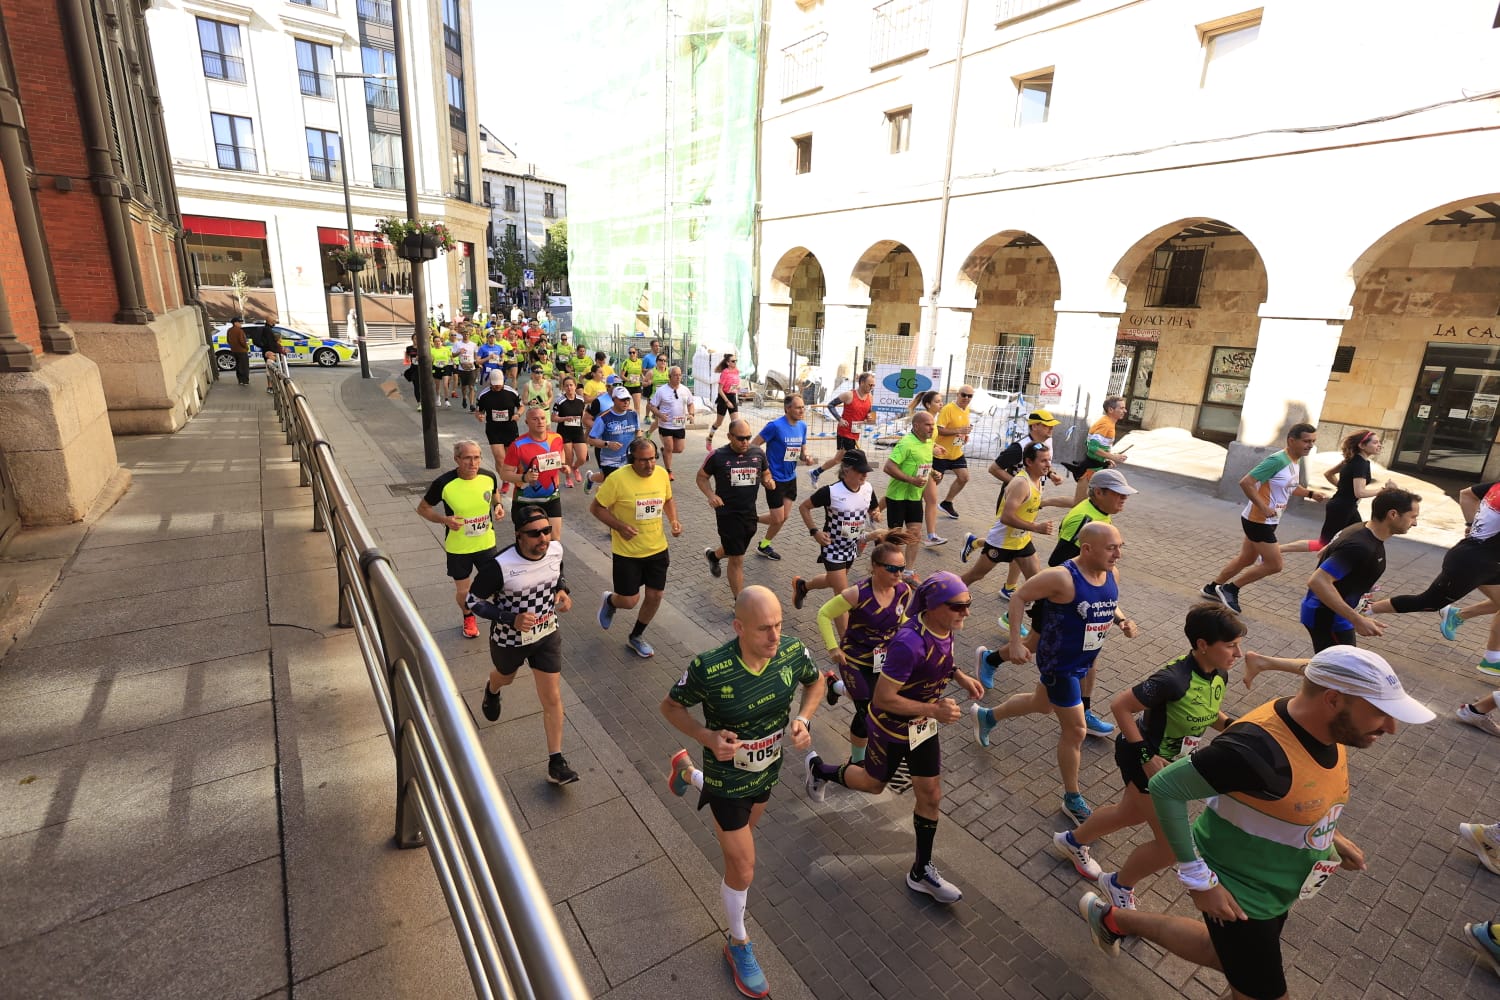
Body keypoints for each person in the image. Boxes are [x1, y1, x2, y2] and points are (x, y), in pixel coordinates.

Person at [1078, 646, 1435, 1000]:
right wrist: (1199, 880)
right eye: (1380, 713)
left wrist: (1330, 836)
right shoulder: (1253, 751)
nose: (1390, 726)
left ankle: (1112, 920)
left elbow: (1297, 797)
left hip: (1278, 884)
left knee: (1220, 955)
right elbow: (1165, 786)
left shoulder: (1322, 728)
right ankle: (1112, 918)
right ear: (1333, 700)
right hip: (1242, 893)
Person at [661, 586, 823, 1000]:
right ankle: (738, 944)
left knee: (746, 838)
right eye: (764, 629)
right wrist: (707, 736)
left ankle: (685, 773)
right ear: (738, 628)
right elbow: (670, 706)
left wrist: (804, 719)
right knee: (744, 867)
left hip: (766, 773)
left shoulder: (790, 652)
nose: (774, 637)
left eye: (779, 626)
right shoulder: (710, 669)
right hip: (728, 780)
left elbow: (816, 682)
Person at [803, 572, 986, 904]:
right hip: (890, 728)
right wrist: (934, 709)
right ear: (932, 606)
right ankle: (819, 771)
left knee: (930, 795)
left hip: (922, 728)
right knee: (873, 784)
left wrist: (959, 675)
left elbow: (942, 659)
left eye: (968, 605)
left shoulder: (944, 627)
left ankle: (921, 870)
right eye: (958, 606)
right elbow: (883, 699)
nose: (966, 613)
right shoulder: (908, 643)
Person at [1055, 604, 1245, 911]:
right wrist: (1148, 757)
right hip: (1144, 760)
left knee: (1129, 814)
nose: (1238, 654)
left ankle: (1072, 842)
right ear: (1202, 645)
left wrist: (1234, 728)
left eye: (1238, 646)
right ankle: (1117, 884)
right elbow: (1120, 706)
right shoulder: (1172, 679)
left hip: (1170, 766)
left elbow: (1204, 710)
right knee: (1171, 848)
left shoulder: (1218, 672)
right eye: (1231, 646)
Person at [973, 522, 1138, 823]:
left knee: (1041, 704)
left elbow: (1109, 602)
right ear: (1087, 549)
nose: (1118, 554)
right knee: (1075, 730)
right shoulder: (1061, 577)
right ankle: (1072, 797)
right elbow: (1019, 596)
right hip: (1059, 664)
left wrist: (1122, 620)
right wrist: (1014, 642)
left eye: (1120, 547)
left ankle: (987, 716)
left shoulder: (1110, 572)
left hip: (1084, 660)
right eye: (1112, 548)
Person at [465, 505, 578, 785]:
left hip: (546, 634)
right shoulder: (500, 566)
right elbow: (471, 601)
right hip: (509, 639)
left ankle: (556, 761)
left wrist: (562, 590)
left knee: (552, 696)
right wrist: (509, 618)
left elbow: (557, 572)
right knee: (506, 677)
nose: (543, 539)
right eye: (534, 534)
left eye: (546, 531)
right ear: (518, 535)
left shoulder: (554, 549)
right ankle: (492, 690)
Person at [813, 530, 916, 775]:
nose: (898, 575)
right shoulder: (857, 593)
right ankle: (857, 762)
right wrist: (833, 648)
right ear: (874, 567)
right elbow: (824, 614)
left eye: (901, 569)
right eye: (892, 569)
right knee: (870, 711)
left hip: (884, 661)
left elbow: (900, 620)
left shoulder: (903, 591)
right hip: (854, 660)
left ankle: (835, 687)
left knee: (873, 701)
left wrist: (909, 643)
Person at [1374, 479, 1500, 677]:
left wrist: (1472, 526)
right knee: (1428, 602)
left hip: (1489, 561)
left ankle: (1490, 658)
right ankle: (1365, 610)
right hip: (1472, 563)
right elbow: (1467, 495)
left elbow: (1467, 494)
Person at [1201, 423, 1327, 614]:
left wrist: (1310, 493)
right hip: (1258, 520)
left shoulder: (1295, 460)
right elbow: (1246, 482)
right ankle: (1230, 589)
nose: (1310, 445)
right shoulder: (1277, 460)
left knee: (1246, 558)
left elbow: (1290, 486)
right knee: (1274, 565)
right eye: (1306, 441)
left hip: (1267, 520)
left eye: (1313, 442)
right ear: (1291, 441)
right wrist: (1263, 506)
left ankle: (1211, 588)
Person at [1298, 488, 1420, 651]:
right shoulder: (1360, 545)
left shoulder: (1362, 529)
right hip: (1327, 618)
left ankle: (1262, 662)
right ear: (1393, 514)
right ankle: (1262, 663)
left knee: (1331, 670)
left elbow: (1325, 551)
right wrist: (1357, 619)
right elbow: (1318, 581)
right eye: (1413, 517)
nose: (1415, 523)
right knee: (1339, 671)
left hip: (1337, 615)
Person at [591, 437, 681, 658]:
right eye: (642, 461)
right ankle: (610, 600)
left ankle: (636, 636)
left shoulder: (661, 474)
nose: (649, 465)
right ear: (632, 460)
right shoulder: (617, 479)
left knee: (655, 595)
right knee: (630, 601)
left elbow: (668, 499)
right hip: (627, 552)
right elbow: (596, 508)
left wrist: (674, 521)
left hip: (657, 548)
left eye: (652, 459)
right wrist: (619, 526)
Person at [959, 442, 1071, 600]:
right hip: (1001, 541)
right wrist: (1036, 527)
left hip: (1022, 541)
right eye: (1043, 461)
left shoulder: (1038, 478)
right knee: (975, 575)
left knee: (1037, 582)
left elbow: (1034, 502)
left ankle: (1013, 614)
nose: (1048, 465)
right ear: (1029, 462)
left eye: (1049, 460)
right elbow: (1006, 517)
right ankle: (943, 595)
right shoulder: (1021, 484)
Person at [417, 440, 502, 641]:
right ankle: (468, 617)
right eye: (467, 458)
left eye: (477, 458)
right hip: (459, 547)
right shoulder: (444, 483)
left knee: (497, 584)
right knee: (464, 590)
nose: (473, 463)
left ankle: (500, 616)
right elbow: (423, 508)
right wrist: (443, 519)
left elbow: (495, 493)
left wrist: (497, 505)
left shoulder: (488, 476)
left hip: (486, 543)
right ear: (457, 459)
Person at [986, 409, 1065, 595]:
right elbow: (994, 468)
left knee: (1019, 541)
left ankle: (1009, 587)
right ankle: (1009, 587)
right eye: (1047, 425)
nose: (1051, 429)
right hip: (1016, 500)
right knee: (1012, 540)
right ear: (1035, 425)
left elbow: (1044, 463)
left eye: (1052, 425)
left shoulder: (1045, 444)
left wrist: (1051, 474)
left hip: (1031, 499)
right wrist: (1018, 484)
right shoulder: (1019, 448)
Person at [1280, 429, 1396, 553]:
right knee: (1323, 545)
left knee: (1360, 537)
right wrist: (1384, 490)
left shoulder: (1354, 460)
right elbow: (1360, 492)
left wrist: (1344, 488)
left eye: (1379, 442)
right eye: (1375, 442)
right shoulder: (1360, 464)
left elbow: (1328, 474)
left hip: (1347, 507)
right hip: (1341, 508)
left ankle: (1344, 565)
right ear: (1361, 445)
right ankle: (1278, 550)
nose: (1379, 445)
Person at [793, 449, 881, 610]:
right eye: (860, 471)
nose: (865, 475)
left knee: (831, 580)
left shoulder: (867, 488)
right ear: (846, 469)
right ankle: (845, 636)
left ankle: (802, 587)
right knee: (842, 596)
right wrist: (815, 531)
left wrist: (876, 514)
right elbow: (804, 507)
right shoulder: (831, 491)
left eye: (866, 471)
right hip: (832, 546)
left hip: (852, 545)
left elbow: (874, 509)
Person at [699, 419, 776, 598]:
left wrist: (768, 481)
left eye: (748, 437)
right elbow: (701, 477)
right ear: (729, 436)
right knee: (737, 558)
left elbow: (765, 472)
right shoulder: (717, 455)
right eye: (741, 438)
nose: (745, 442)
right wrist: (711, 495)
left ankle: (714, 556)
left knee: (736, 547)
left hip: (749, 513)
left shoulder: (758, 453)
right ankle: (739, 601)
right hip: (727, 514)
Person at [750, 395, 817, 561]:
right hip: (774, 478)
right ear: (787, 408)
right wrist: (764, 470)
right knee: (778, 518)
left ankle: (762, 543)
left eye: (803, 407)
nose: (802, 410)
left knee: (783, 517)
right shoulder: (775, 426)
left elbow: (802, 450)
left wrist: (806, 456)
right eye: (798, 407)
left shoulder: (802, 426)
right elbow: (753, 445)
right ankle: (752, 523)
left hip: (791, 477)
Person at [882, 410, 941, 573]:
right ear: (916, 426)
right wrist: (911, 480)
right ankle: (888, 565)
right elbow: (888, 467)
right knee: (895, 538)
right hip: (897, 497)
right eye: (928, 425)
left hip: (914, 497)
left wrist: (933, 472)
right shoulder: (906, 443)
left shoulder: (928, 442)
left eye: (933, 425)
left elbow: (922, 464)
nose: (931, 428)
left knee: (915, 534)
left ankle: (908, 571)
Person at [502, 407, 567, 541]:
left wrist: (563, 465)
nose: (540, 422)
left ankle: (555, 563)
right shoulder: (518, 445)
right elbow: (505, 474)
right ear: (527, 422)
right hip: (525, 501)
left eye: (542, 418)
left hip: (551, 498)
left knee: (554, 542)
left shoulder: (557, 438)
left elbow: (560, 454)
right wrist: (524, 477)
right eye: (535, 419)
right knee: (528, 544)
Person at [811, 372, 876, 487]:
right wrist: (839, 419)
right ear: (861, 383)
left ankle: (816, 472)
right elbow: (831, 405)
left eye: (873, 385)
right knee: (850, 460)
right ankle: (844, 484)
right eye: (870, 385)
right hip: (844, 432)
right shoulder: (849, 395)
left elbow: (868, 415)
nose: (872, 387)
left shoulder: (870, 398)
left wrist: (869, 417)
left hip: (856, 432)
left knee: (838, 459)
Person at [473, 370, 521, 515]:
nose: (497, 387)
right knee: (500, 458)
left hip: (510, 428)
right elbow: (478, 411)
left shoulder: (511, 392)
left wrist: (518, 414)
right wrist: (479, 416)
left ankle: (515, 476)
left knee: (512, 457)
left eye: (499, 385)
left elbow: (521, 406)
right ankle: (505, 480)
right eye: (495, 385)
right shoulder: (484, 395)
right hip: (494, 429)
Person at [905, 391, 948, 547]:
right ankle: (875, 510)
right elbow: (916, 444)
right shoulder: (923, 419)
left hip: (926, 464)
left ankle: (931, 535)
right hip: (916, 463)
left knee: (931, 499)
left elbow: (928, 441)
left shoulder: (932, 420)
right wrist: (932, 450)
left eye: (941, 401)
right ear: (928, 404)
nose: (941, 404)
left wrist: (936, 446)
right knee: (897, 494)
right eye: (937, 401)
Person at [1071, 395, 1131, 503]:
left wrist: (1108, 459)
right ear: (1111, 410)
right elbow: (1093, 447)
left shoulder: (1108, 422)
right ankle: (1043, 502)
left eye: (1124, 408)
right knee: (1078, 504)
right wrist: (1113, 457)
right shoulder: (1106, 424)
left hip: (1096, 468)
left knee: (1085, 503)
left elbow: (1095, 445)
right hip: (1089, 469)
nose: (1125, 411)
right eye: (1121, 408)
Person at [583, 385, 640, 494]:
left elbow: (637, 431)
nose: (626, 402)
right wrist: (608, 444)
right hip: (610, 459)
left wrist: (641, 441)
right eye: (622, 399)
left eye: (627, 399)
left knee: (621, 483)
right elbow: (591, 440)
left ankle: (590, 478)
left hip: (629, 457)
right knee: (613, 486)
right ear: (614, 400)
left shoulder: (633, 414)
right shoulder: (603, 418)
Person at [935, 385, 975, 519]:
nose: (966, 398)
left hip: (956, 453)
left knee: (964, 477)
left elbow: (961, 430)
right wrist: (959, 430)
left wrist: (963, 438)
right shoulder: (948, 409)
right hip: (940, 453)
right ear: (957, 394)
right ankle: (916, 502)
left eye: (970, 396)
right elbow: (940, 430)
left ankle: (947, 503)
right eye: (963, 395)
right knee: (934, 482)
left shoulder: (967, 410)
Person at [648, 366, 695, 479]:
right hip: (666, 424)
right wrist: (660, 415)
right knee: (669, 447)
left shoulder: (685, 389)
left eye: (680, 375)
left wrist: (691, 414)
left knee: (679, 449)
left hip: (679, 424)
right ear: (669, 377)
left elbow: (690, 403)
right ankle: (668, 471)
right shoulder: (662, 390)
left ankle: (665, 451)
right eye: (675, 375)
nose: (678, 377)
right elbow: (651, 405)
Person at [551, 376, 588, 488]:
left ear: (575, 386)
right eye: (566, 385)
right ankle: (568, 478)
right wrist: (564, 418)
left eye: (571, 385)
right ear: (563, 387)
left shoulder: (581, 400)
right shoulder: (560, 401)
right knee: (568, 457)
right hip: (564, 432)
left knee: (582, 457)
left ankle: (575, 468)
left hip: (577, 431)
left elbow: (583, 414)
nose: (569, 387)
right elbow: (553, 418)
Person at [706, 353, 741, 450]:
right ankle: (709, 438)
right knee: (718, 422)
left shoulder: (736, 371)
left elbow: (736, 384)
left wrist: (738, 388)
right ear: (728, 363)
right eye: (733, 361)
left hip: (732, 397)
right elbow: (720, 390)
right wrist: (726, 401)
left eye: (736, 361)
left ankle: (735, 445)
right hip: (723, 398)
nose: (735, 363)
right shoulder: (725, 372)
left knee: (736, 422)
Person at [454, 334, 479, 411]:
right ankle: (464, 397)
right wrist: (459, 352)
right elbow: (453, 355)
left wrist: (476, 363)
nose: (466, 335)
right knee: (464, 386)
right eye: (465, 333)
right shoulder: (458, 344)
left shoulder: (473, 344)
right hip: (462, 368)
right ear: (462, 334)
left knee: (471, 387)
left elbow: (476, 356)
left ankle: (471, 404)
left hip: (471, 368)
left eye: (468, 333)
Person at [620, 344, 646, 416]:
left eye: (633, 352)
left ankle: (637, 423)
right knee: (626, 406)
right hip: (627, 386)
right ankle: (627, 421)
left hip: (636, 386)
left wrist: (643, 376)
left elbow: (639, 371)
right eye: (630, 353)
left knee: (637, 407)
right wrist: (628, 380)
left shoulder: (640, 361)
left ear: (636, 353)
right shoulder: (626, 362)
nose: (632, 354)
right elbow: (621, 375)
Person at [431, 334, 454, 406]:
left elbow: (451, 357)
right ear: (433, 343)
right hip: (436, 367)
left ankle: (446, 400)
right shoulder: (431, 350)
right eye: (436, 342)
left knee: (445, 384)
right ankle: (438, 398)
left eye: (439, 341)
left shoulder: (446, 349)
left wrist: (453, 365)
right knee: (437, 386)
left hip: (445, 367)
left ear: (441, 342)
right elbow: (431, 360)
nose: (438, 343)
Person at [226, 319, 251, 387]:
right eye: (240, 322)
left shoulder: (229, 330)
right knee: (244, 366)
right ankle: (245, 381)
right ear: (235, 323)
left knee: (238, 365)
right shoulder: (239, 331)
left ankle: (240, 380)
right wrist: (246, 347)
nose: (241, 324)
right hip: (242, 351)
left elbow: (228, 340)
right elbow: (242, 341)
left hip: (234, 350)